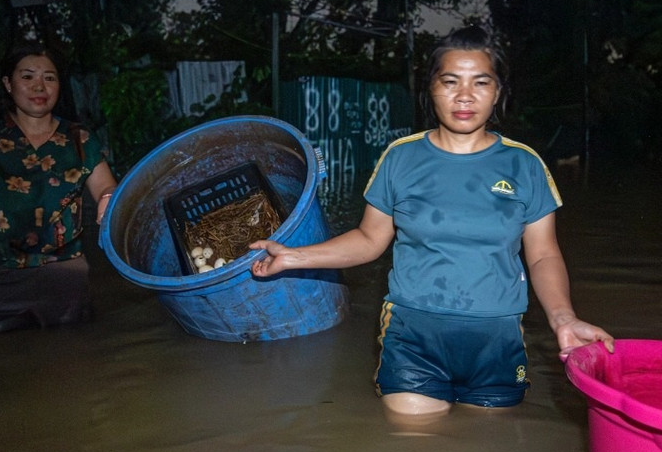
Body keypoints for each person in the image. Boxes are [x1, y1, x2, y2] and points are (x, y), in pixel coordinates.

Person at [249, 26, 613, 423]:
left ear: (498, 92)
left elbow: (543, 255)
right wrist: (293, 257)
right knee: (414, 448)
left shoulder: (524, 165)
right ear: (431, 89)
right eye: (450, 81)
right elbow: (370, 240)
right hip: (413, 334)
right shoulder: (400, 158)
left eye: (481, 82)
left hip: (496, 337)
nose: (464, 96)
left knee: (488, 450)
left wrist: (563, 318)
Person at [0, 41, 117, 335]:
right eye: (27, 76)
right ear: (8, 83)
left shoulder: (80, 140)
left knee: (77, 364)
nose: (39, 87)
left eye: (49, 77)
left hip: (65, 279)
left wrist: (109, 200)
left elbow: (107, 188)